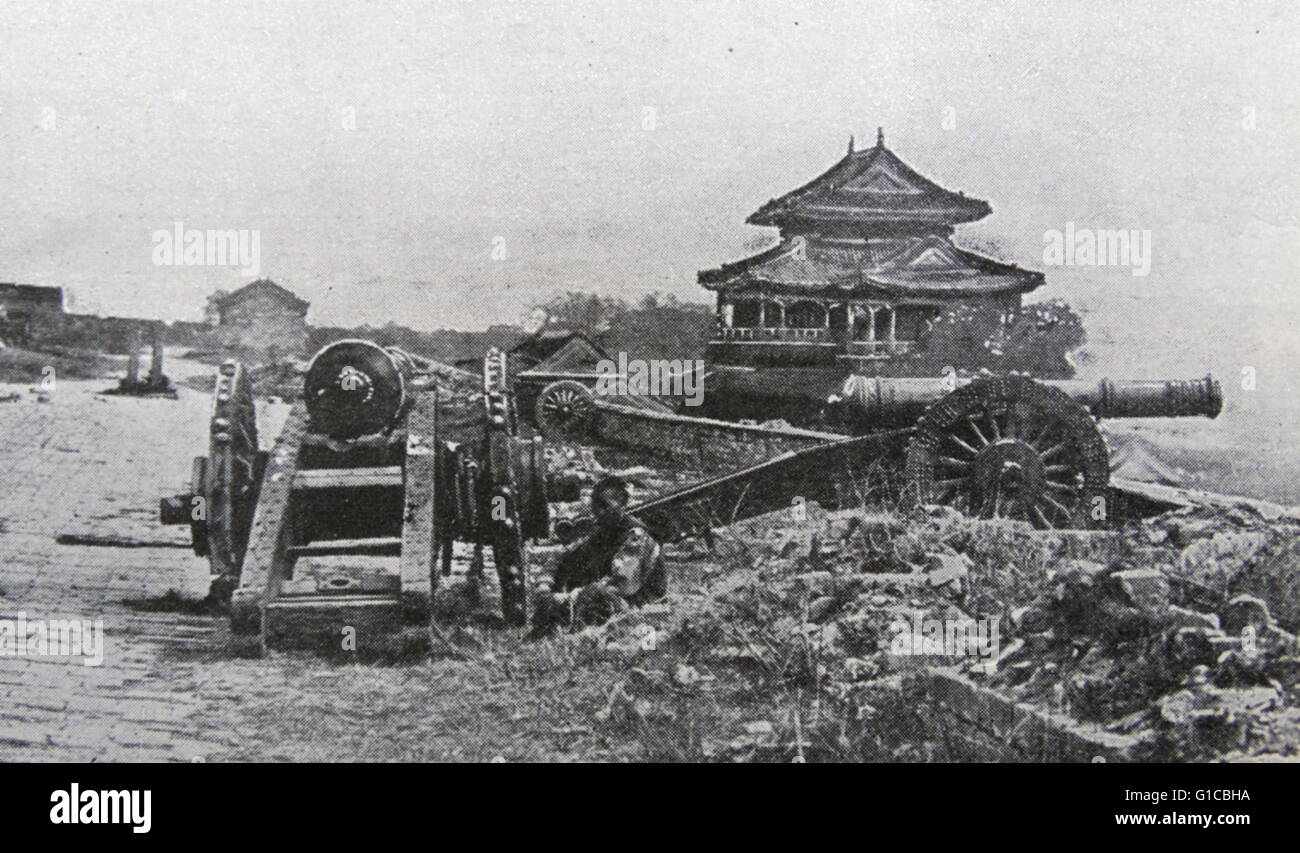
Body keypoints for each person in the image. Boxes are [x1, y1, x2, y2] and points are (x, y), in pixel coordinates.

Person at [529, 475, 666, 636]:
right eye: (595, 504)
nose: (598, 511)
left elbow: (623, 584)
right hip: (603, 602)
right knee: (553, 599)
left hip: (640, 607)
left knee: (596, 595)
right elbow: (560, 557)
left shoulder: (638, 537)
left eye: (604, 505)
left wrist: (569, 598)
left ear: (622, 504)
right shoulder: (600, 533)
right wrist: (544, 586)